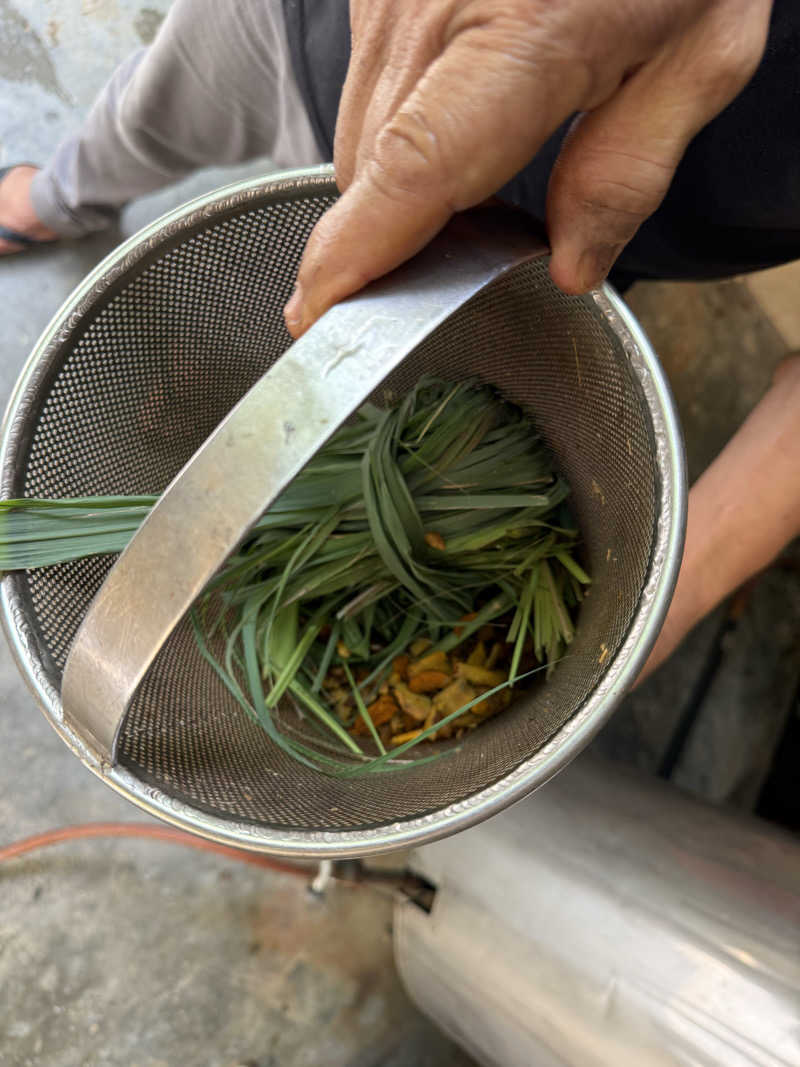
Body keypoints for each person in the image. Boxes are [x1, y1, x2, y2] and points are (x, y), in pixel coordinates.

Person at [1, 0, 798, 682]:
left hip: (603, 229)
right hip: (330, 51)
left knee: (431, 322)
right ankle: (60, 196)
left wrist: (677, 593)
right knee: (155, 114)